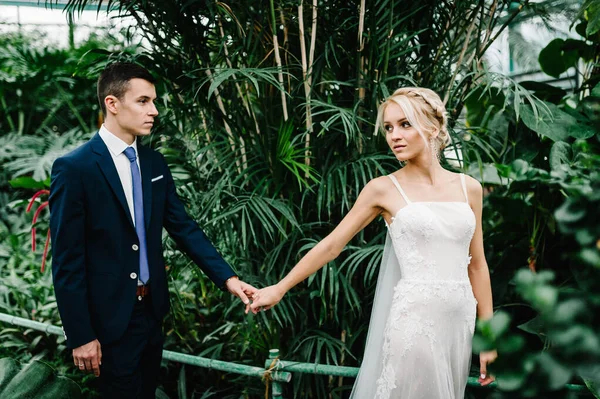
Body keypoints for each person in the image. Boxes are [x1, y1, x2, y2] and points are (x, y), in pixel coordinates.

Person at [250, 87, 497, 398]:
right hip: (416, 322)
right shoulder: (382, 189)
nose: (394, 135)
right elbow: (331, 246)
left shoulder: (469, 187)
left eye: (405, 124)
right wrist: (280, 287)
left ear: (433, 128)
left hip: (459, 325)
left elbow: (477, 265)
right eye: (389, 127)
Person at [49, 62, 257, 398]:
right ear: (112, 104)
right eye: (143, 101)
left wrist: (229, 280)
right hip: (108, 322)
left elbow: (183, 227)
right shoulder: (75, 169)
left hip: (151, 312)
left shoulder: (153, 163)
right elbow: (66, 260)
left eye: (154, 101)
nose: (154, 111)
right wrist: (81, 335)